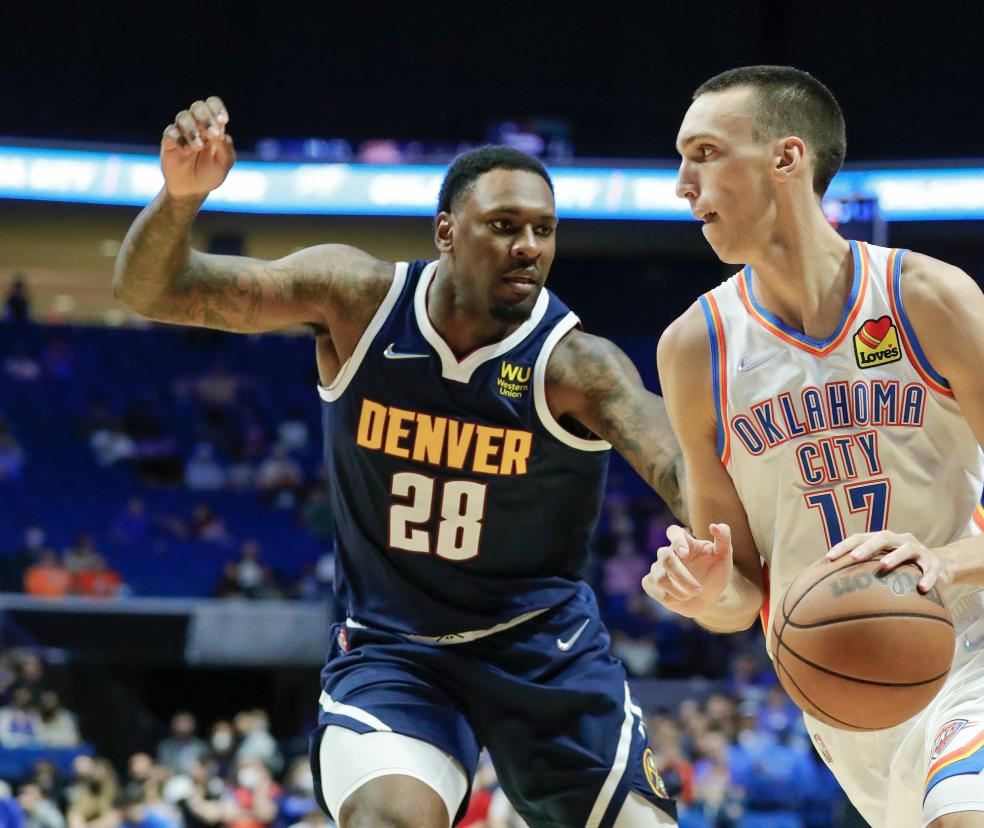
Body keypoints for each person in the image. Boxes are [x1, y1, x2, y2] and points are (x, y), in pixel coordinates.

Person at [113, 96, 683, 828]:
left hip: (546, 652)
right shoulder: (358, 301)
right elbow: (152, 288)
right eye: (504, 226)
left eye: (543, 230)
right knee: (388, 819)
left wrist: (731, 553)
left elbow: (677, 469)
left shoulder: (578, 365)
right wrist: (180, 197)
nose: (528, 247)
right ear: (446, 232)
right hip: (395, 651)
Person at [644, 66, 984, 827]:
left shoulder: (927, 299)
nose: (683, 183)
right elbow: (740, 595)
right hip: (842, 701)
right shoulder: (696, 349)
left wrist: (938, 563)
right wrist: (706, 591)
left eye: (706, 152)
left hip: (968, 656)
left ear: (788, 159)